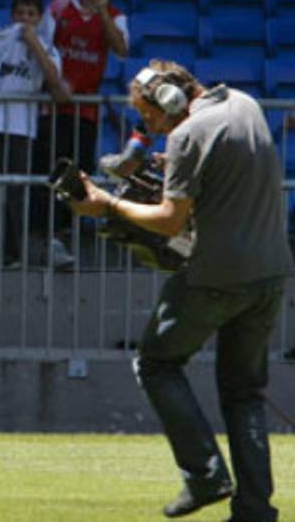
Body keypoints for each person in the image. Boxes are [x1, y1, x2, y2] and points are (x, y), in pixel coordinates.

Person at [68, 61, 292, 522]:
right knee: (244, 393)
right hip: (271, 275)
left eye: (149, 115)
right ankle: (254, 511)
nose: (150, 125)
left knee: (156, 363)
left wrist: (109, 204)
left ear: (169, 99)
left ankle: (205, 475)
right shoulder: (245, 105)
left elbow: (170, 221)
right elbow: (227, 172)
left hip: (215, 276)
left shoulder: (187, 135)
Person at [35, 0, 128, 266]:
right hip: (54, 106)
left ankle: (64, 236)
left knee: (78, 174)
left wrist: (102, 14)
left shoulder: (115, 15)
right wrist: (55, 84)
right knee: (51, 169)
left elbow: (121, 49)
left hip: (86, 111)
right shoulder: (60, 7)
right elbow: (43, 49)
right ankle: (46, 237)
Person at [0, 0, 68, 269]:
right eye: (20, 13)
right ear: (12, 15)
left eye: (31, 14)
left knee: (17, 192)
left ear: (39, 18)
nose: (25, 19)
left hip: (23, 128)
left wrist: (34, 44)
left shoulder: (47, 48)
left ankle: (14, 253)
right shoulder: (0, 38)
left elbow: (54, 81)